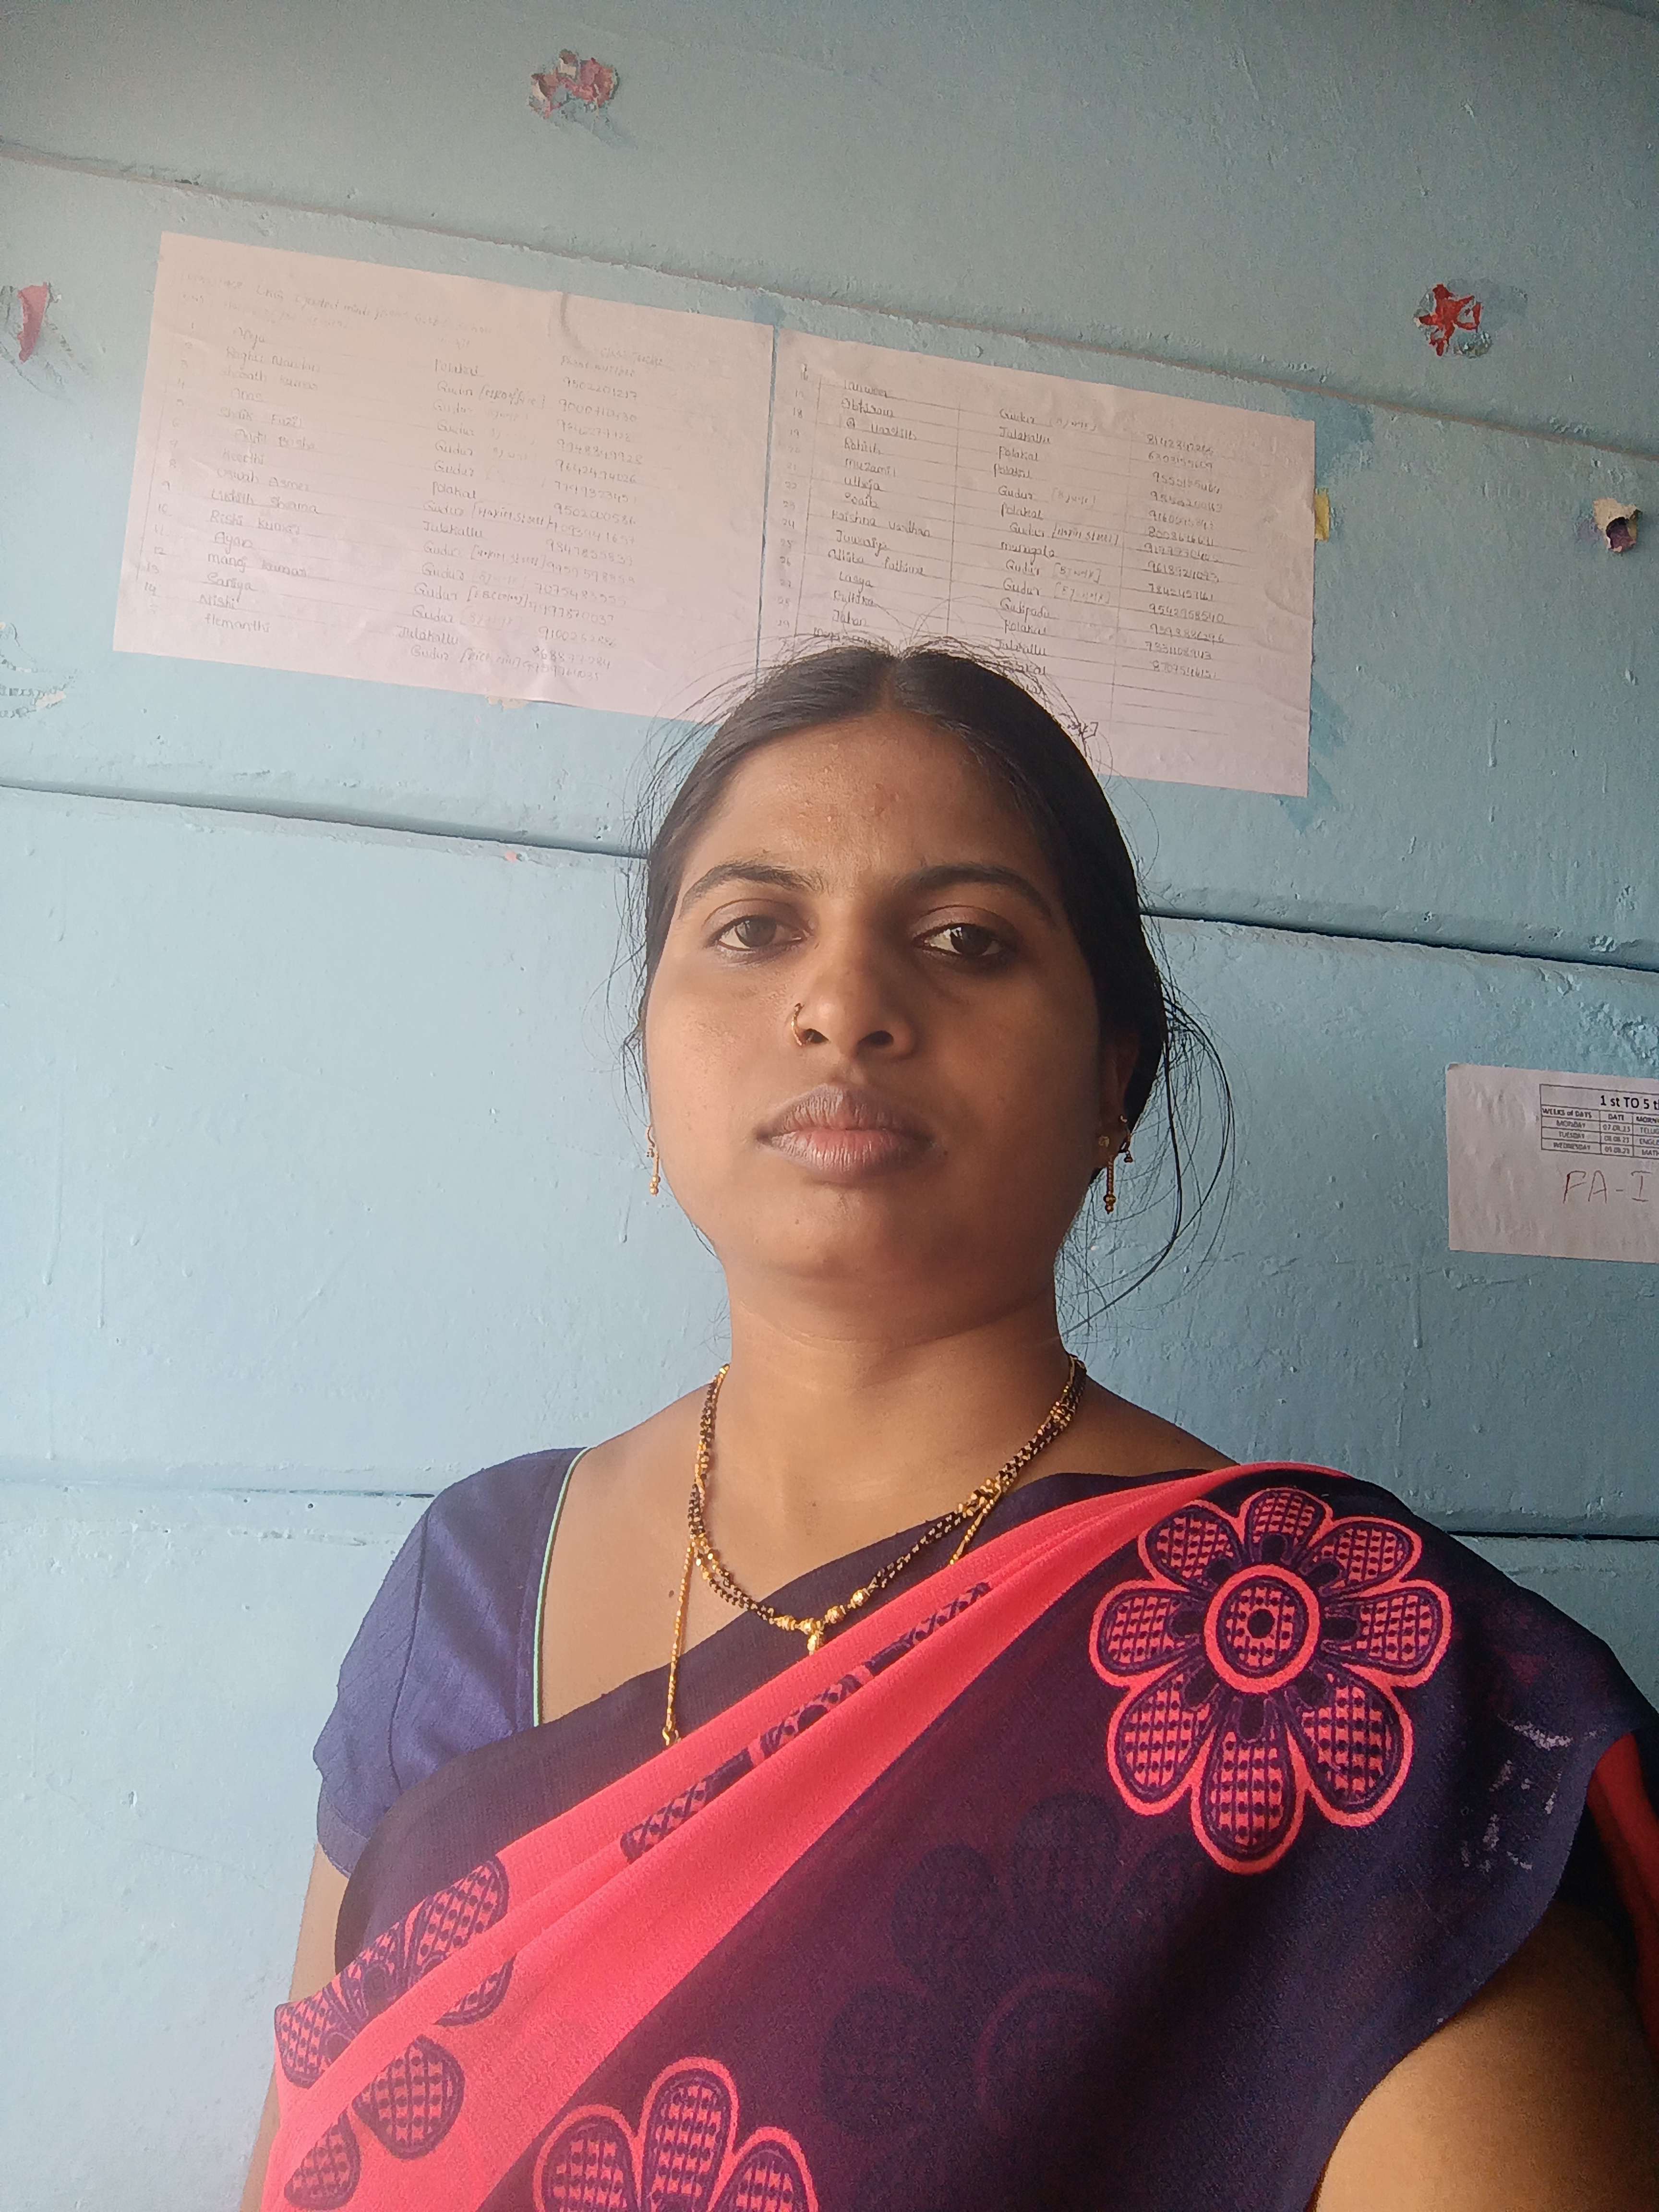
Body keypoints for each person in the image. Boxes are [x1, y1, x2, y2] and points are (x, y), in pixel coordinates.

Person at [244, 647, 1659, 2212]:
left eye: (967, 940)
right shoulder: (470, 1578)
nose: (844, 1004)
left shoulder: (1344, 1671)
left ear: (1115, 1081)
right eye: (753, 928)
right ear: (651, 1056)